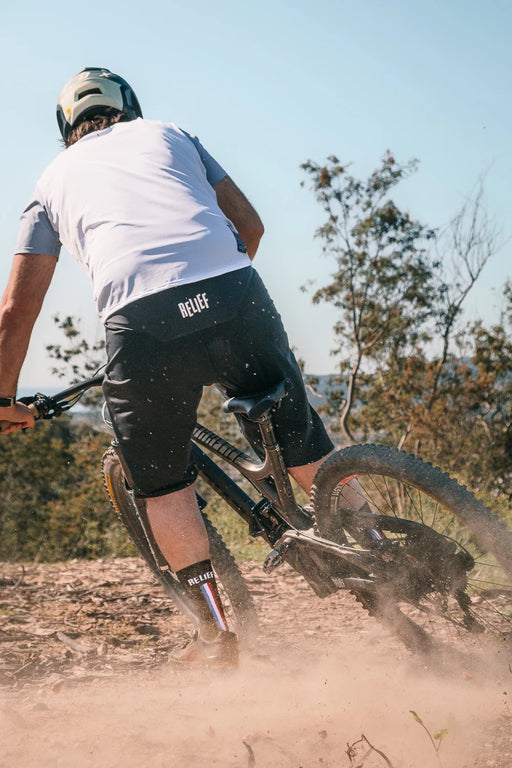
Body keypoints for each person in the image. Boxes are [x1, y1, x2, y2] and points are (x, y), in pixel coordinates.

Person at [0, 67, 334, 668]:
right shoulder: (171, 133)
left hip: (144, 324)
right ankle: (381, 546)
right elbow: (250, 227)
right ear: (130, 107)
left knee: (163, 483)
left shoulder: (49, 183)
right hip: (235, 293)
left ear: (65, 128)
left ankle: (216, 635)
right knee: (301, 439)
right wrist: (214, 301)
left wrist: (3, 399)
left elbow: (17, 311)